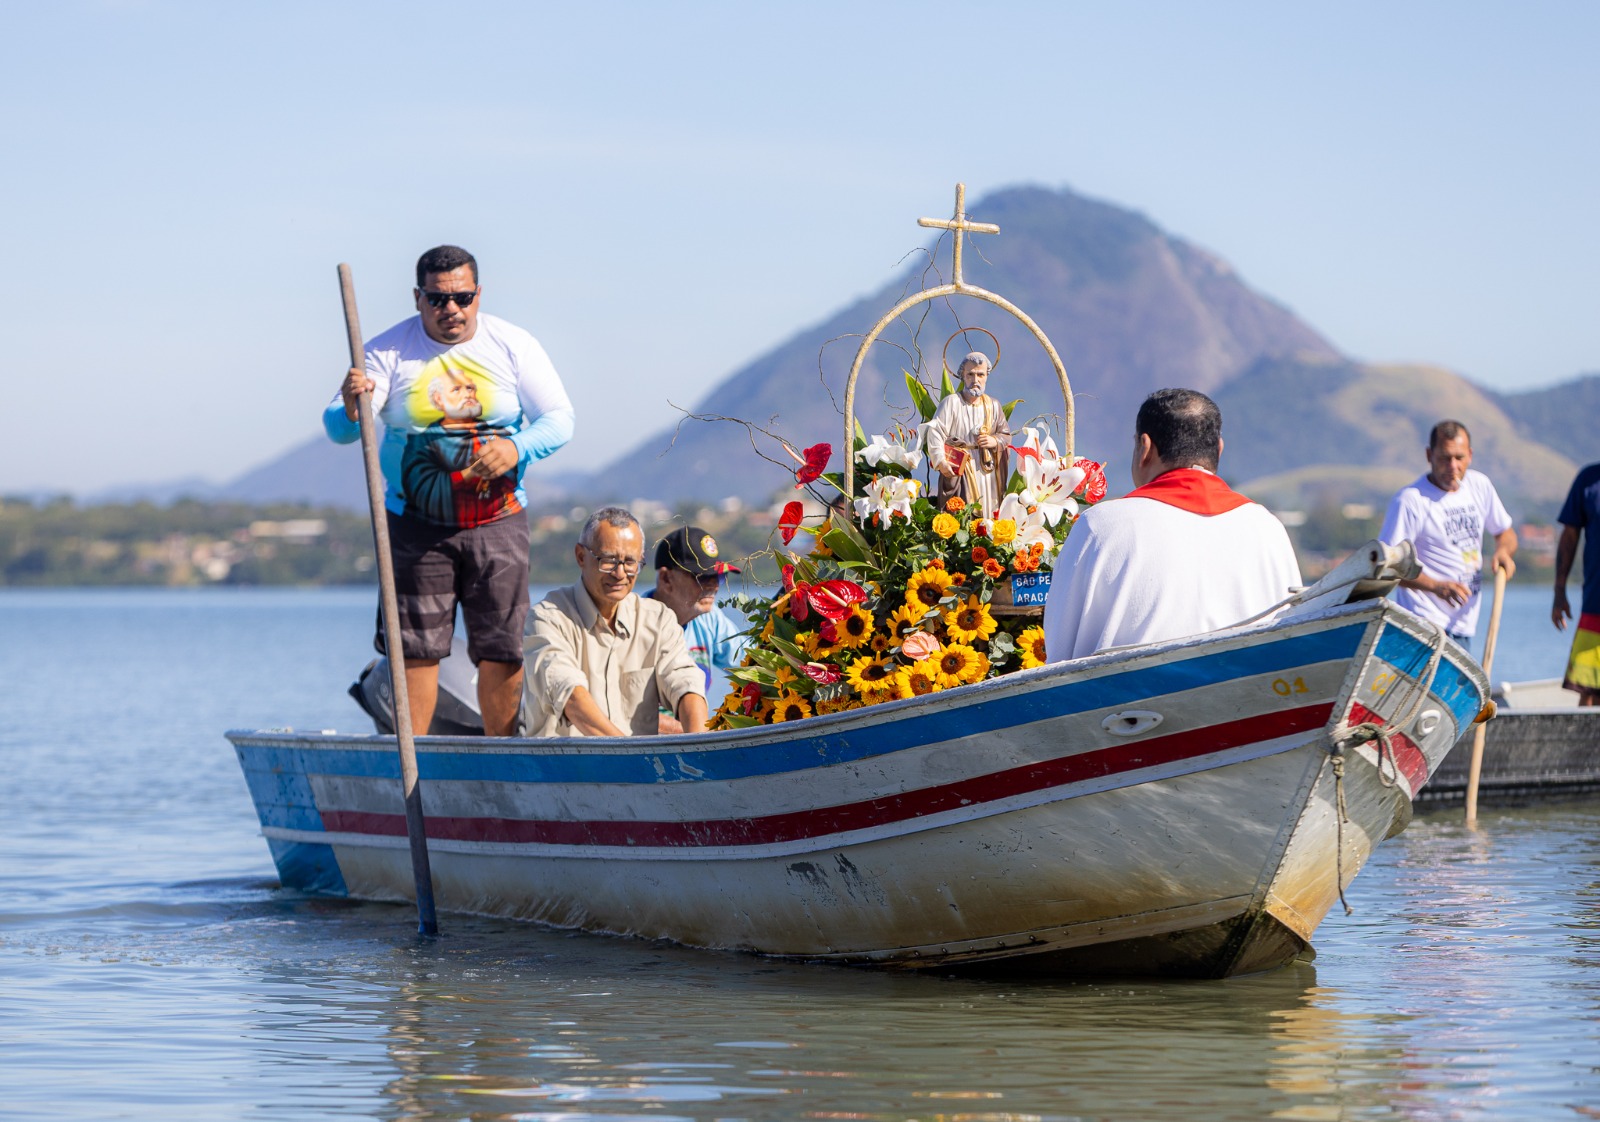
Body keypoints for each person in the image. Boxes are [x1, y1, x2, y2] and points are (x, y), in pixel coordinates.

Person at [324, 245, 575, 737]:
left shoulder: (513, 345)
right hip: (415, 526)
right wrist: (352, 406)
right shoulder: (384, 353)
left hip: (498, 521)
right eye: (438, 300)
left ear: (478, 294)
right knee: (415, 651)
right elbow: (339, 429)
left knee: (502, 650)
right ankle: (418, 767)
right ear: (418, 298)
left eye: (462, 297)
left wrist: (517, 448)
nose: (451, 310)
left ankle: (504, 763)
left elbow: (560, 420)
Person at [1043, 388, 1302, 661]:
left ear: (1144, 447)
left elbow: (1060, 655)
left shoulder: (1101, 526)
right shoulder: (1267, 527)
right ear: (1219, 449)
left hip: (1126, 700)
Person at [520, 507, 708, 737]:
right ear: (581, 556)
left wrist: (699, 745)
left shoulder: (659, 620)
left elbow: (685, 682)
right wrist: (628, 756)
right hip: (565, 769)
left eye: (630, 562)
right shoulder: (547, 619)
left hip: (640, 767)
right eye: (608, 561)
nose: (620, 573)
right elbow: (569, 695)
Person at [1379, 420, 1517, 648]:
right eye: (1444, 458)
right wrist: (1435, 586)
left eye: (1459, 458)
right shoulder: (1411, 501)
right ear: (1429, 455)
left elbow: (1505, 532)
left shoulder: (1479, 486)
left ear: (1470, 455)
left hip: (1463, 624)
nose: (1453, 466)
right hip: (1422, 627)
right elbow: (1386, 567)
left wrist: (1503, 551)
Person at [643, 526, 747, 733]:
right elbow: (621, 710)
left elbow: (750, 664)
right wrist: (698, 733)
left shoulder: (711, 619)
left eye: (717, 577)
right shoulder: (634, 624)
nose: (714, 586)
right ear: (666, 579)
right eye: (702, 577)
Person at [924, 351, 1011, 517]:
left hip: (987, 470)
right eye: (970, 374)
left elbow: (1005, 435)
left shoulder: (993, 406)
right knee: (961, 513)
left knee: (987, 510)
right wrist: (941, 461)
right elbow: (935, 432)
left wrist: (993, 441)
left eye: (980, 374)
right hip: (961, 467)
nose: (975, 380)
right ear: (963, 376)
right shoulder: (951, 403)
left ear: (986, 376)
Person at [1552, 461, 1600, 705]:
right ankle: (1587, 745)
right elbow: (1569, 537)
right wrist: (1559, 591)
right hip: (1595, 607)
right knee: (1589, 692)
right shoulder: (1588, 480)